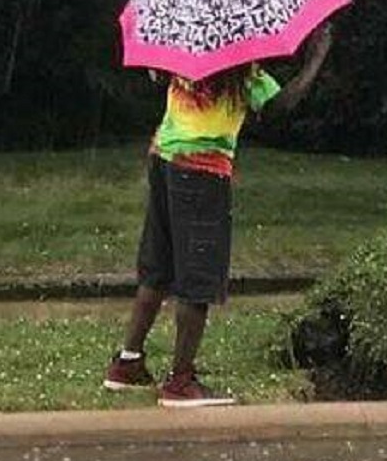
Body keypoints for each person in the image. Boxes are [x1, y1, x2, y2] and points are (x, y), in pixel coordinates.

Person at [104, 22, 334, 407]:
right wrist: (316, 58)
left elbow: (158, 72)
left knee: (158, 266)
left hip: (163, 158)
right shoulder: (242, 71)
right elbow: (281, 107)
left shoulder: (185, 49)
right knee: (198, 274)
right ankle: (180, 383)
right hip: (202, 171)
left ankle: (127, 363)